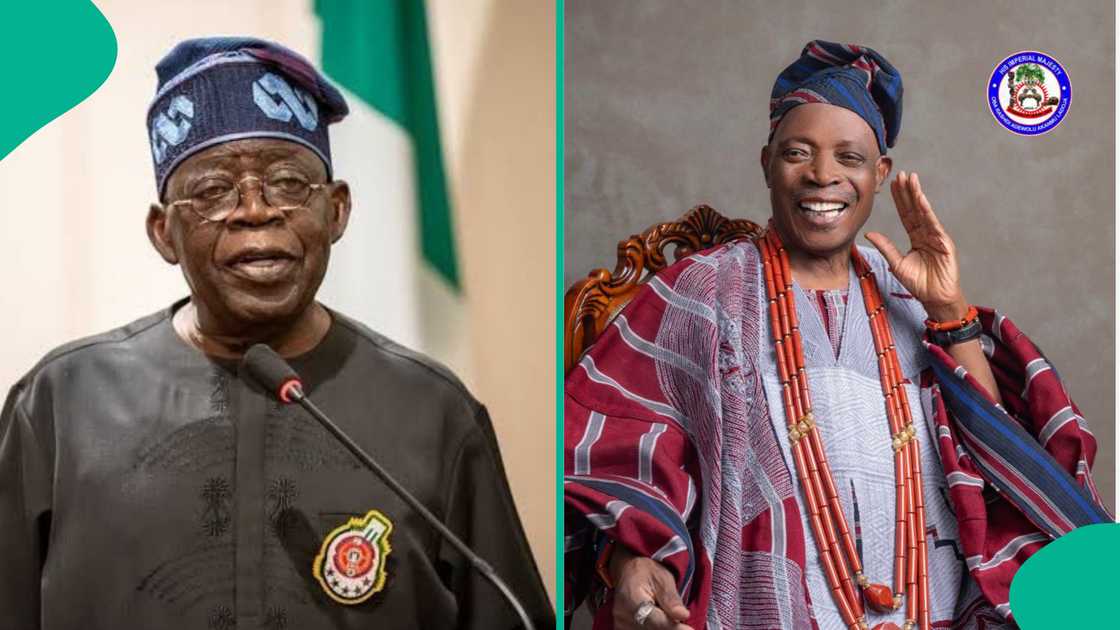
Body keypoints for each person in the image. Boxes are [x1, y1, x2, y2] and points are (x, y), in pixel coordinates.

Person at [0, 36, 552, 630]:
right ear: (163, 232)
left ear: (336, 211)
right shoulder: (60, 402)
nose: (255, 210)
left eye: (289, 183)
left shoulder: (435, 411)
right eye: (213, 191)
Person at [564, 40, 1108, 630]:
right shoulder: (703, 291)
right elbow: (621, 452)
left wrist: (948, 308)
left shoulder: (910, 297)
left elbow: (1004, 468)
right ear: (767, 161)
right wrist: (630, 558)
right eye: (798, 152)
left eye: (849, 159)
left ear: (880, 175)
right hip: (766, 610)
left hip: (936, 608)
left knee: (1093, 594)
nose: (823, 175)